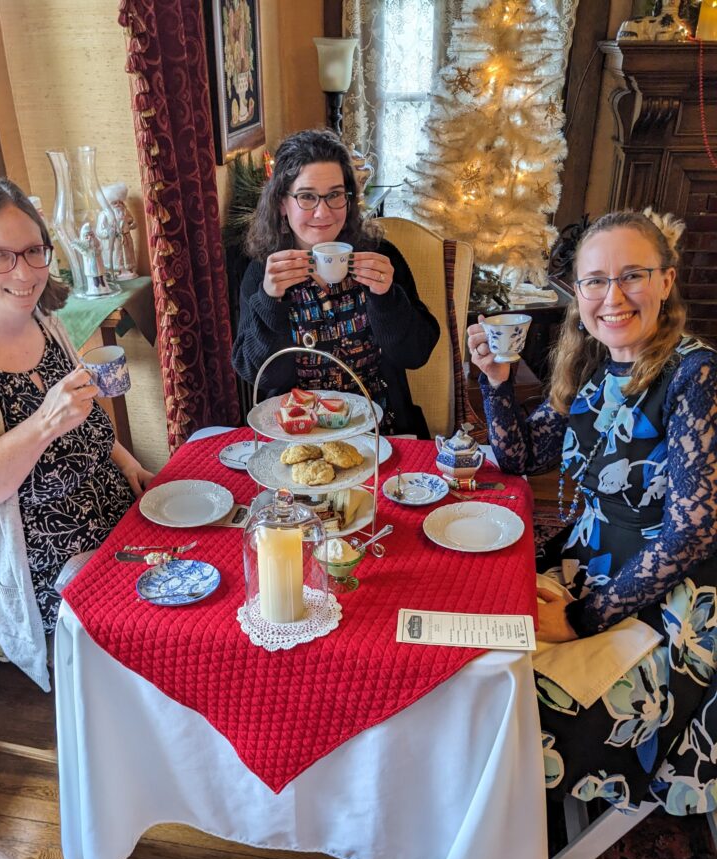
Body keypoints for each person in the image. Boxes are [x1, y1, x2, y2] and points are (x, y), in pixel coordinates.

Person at [468, 209, 717, 816]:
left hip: (668, 604)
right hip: (589, 563)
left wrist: (581, 619)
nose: (612, 296)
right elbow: (524, 455)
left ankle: (510, 822)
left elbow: (691, 532)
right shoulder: (596, 364)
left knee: (513, 707)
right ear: (577, 292)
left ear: (665, 280)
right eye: (595, 281)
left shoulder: (696, 375)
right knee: (471, 651)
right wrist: (497, 382)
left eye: (632, 275)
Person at [0, 178, 153, 689]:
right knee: (161, 629)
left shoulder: (47, 321)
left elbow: (84, 421)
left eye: (33, 251)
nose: (24, 272)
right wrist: (43, 423)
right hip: (38, 565)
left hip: (114, 519)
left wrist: (126, 462)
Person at [231, 129, 440, 436]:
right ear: (281, 204)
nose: (322, 211)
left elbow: (415, 354)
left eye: (334, 195)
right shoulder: (264, 273)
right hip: (299, 438)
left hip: (383, 432)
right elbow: (262, 376)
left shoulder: (379, 257)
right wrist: (269, 300)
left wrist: (386, 298)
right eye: (306, 196)